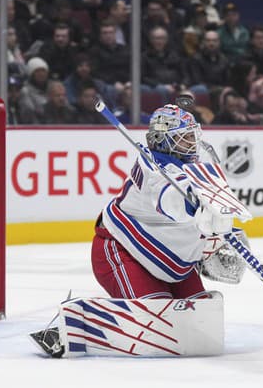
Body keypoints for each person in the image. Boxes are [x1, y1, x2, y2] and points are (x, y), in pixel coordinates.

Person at [92, 104, 247, 301]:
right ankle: (83, 324)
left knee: (199, 314)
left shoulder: (190, 165)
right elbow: (171, 203)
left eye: (193, 135)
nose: (194, 142)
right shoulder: (152, 169)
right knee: (156, 318)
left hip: (168, 258)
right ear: (165, 140)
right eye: (186, 137)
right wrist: (200, 211)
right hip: (124, 250)